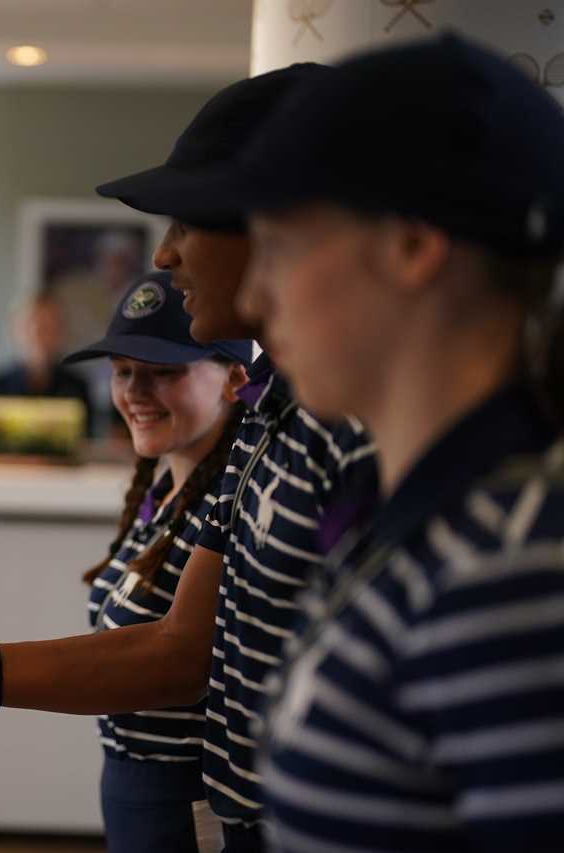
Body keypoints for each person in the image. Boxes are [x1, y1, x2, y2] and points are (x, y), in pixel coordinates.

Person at [0, 63, 378, 853]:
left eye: (187, 222)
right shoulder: (269, 413)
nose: (164, 255)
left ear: (280, 219)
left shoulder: (369, 425)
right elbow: (178, 647)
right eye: (125, 371)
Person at [196, 34, 564, 852]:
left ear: (412, 245)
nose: (256, 292)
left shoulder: (511, 572)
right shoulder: (430, 528)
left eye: (282, 246)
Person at [67, 271, 250, 852]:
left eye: (165, 372)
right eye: (123, 372)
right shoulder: (164, 494)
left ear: (234, 380)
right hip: (128, 788)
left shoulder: (229, 503)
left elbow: (173, 661)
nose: (135, 393)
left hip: (185, 801)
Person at [0, 291, 94, 435]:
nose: (37, 334)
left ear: (61, 330)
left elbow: (85, 439)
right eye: (30, 326)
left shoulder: (78, 386)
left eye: (47, 326)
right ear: (14, 331)